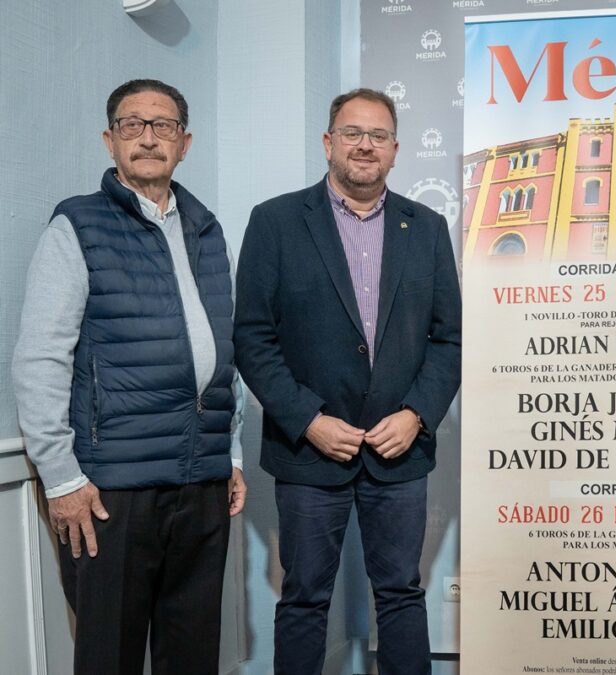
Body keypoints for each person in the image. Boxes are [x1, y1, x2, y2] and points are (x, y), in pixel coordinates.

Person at [12, 79, 247, 674]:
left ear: (185, 142)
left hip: (202, 481)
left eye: (162, 125)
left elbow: (223, 351)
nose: (147, 137)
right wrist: (61, 479)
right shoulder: (78, 226)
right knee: (109, 656)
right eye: (131, 125)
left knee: (192, 655)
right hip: (111, 491)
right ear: (109, 140)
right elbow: (41, 358)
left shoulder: (207, 229)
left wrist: (233, 452)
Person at [234, 87, 462, 675]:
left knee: (402, 593)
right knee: (305, 597)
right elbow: (253, 338)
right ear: (328, 142)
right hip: (311, 451)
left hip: (399, 449)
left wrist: (416, 415)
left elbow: (449, 340)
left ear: (395, 150)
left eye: (378, 136)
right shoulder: (275, 221)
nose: (365, 145)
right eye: (353, 133)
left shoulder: (428, 227)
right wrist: (307, 420)